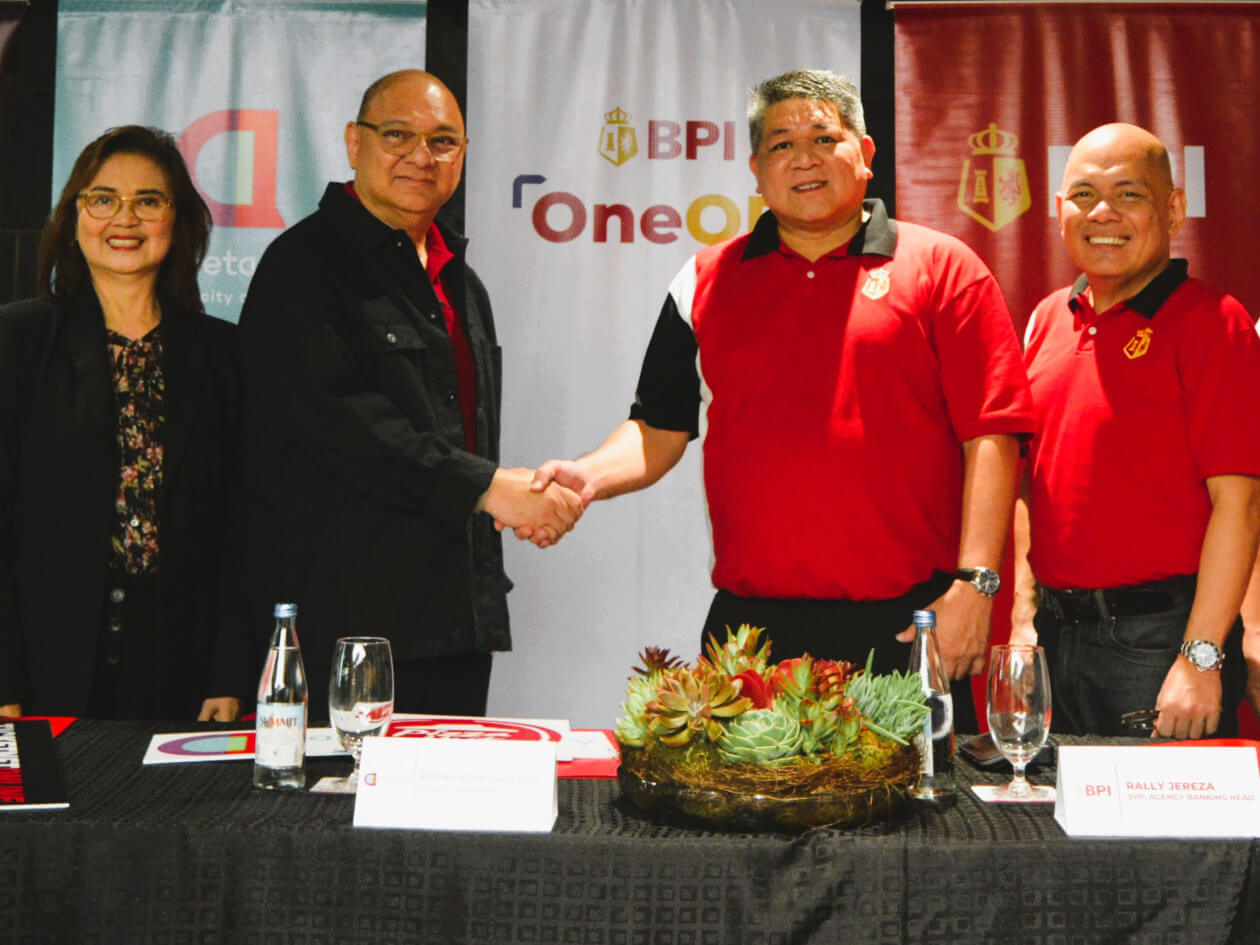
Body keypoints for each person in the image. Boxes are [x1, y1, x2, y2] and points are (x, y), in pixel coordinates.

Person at [528, 70, 1035, 731]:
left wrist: (977, 584)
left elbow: (991, 435)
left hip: (908, 625)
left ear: (866, 152)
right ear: (755, 169)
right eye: (781, 143)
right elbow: (659, 425)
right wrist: (586, 476)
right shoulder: (706, 279)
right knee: (741, 828)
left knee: (917, 831)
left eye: (824, 137)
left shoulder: (945, 269)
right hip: (752, 630)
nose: (804, 158)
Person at [232, 70, 582, 716]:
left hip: (454, 621)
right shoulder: (301, 268)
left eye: (443, 141)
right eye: (399, 135)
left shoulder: (460, 282)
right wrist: (488, 485)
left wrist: (503, 499)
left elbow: (462, 436)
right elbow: (343, 429)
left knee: (443, 815)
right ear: (353, 143)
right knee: (333, 815)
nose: (422, 156)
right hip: (350, 625)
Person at [1012, 122, 1260, 738]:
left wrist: (1200, 657)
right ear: (1059, 209)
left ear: (1173, 209)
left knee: (1161, 837)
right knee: (1040, 829)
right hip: (1054, 635)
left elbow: (1242, 506)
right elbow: (1025, 489)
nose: (1104, 213)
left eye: (1129, 194)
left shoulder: (1212, 324)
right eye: (1084, 195)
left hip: (1158, 644)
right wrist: (1021, 621)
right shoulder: (1047, 319)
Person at [0, 125, 243, 720]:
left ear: (178, 220)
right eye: (103, 198)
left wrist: (230, 670)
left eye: (148, 201)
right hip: (41, 665)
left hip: (184, 668)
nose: (123, 219)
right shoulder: (18, 340)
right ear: (76, 216)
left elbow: (246, 527)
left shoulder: (226, 356)